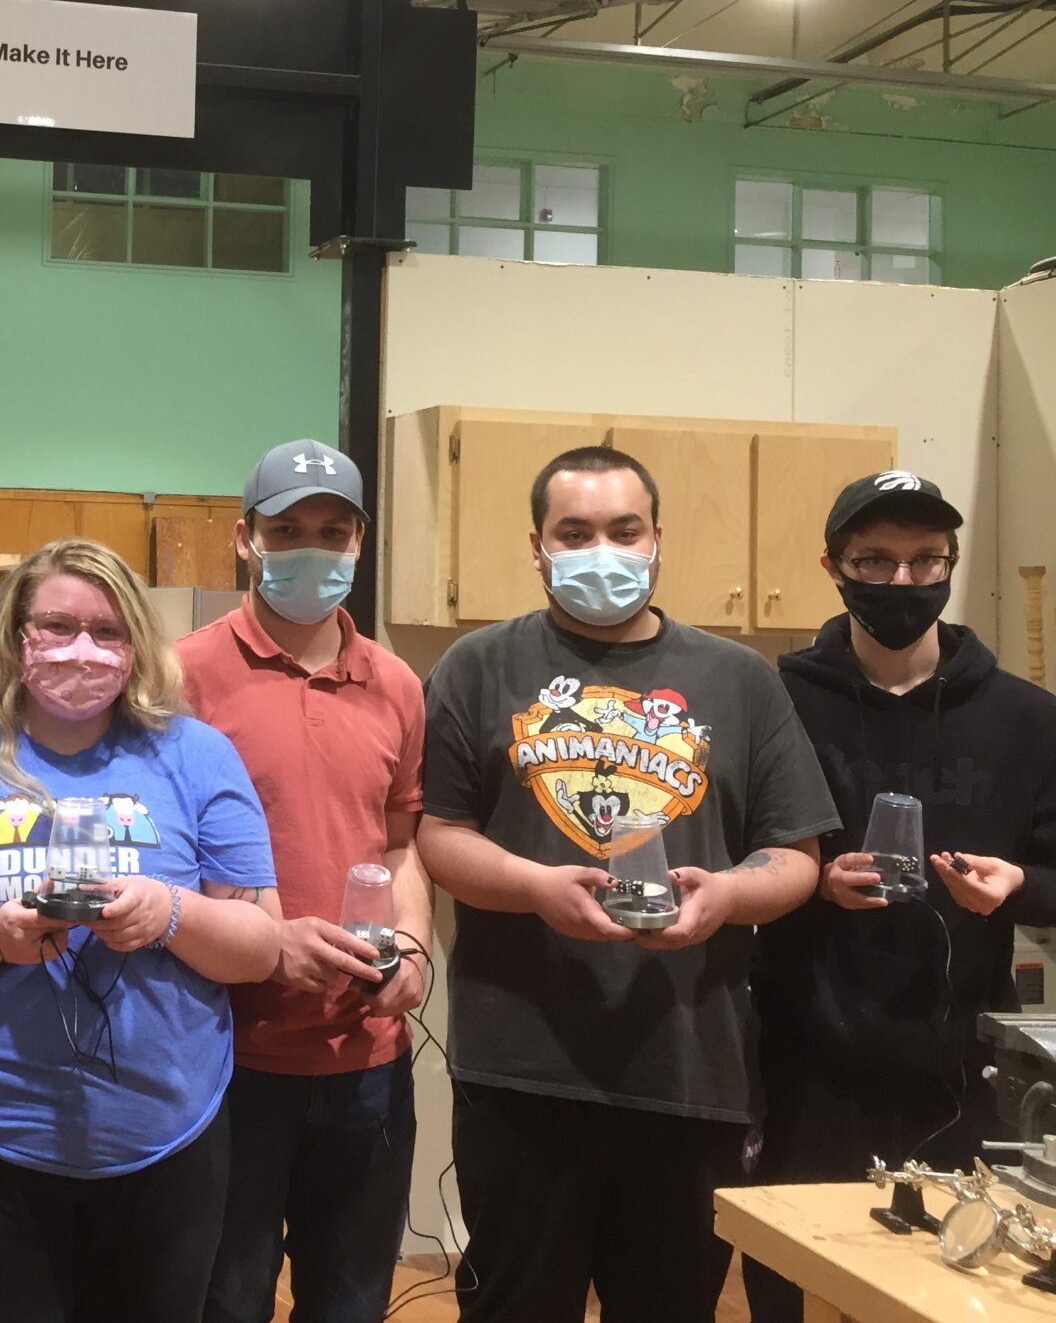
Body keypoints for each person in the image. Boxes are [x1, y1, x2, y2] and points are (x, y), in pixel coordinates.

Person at [417, 445, 837, 1323]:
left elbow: (796, 857)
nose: (600, 549)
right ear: (537, 546)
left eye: (622, 529)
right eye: (575, 532)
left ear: (657, 541)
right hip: (524, 1070)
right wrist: (535, 886)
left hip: (690, 1072)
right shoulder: (475, 666)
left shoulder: (742, 680)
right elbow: (439, 836)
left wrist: (725, 897)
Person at [0, 538, 284, 1323]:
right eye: (57, 625)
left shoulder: (195, 755)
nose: (83, 649)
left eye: (108, 631)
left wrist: (168, 912)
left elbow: (259, 947)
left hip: (169, 1140)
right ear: (15, 636)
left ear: (137, 645)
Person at [746, 472, 1056, 1323]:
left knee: (953, 1282)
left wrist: (1018, 886)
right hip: (801, 1051)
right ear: (832, 565)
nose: (903, 584)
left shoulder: (1029, 719)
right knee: (788, 1262)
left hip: (960, 1060)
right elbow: (732, 861)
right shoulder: (772, 701)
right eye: (875, 562)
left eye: (927, 561)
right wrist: (812, 887)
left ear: (952, 564)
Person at [180, 439, 428, 1323]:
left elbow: (401, 845)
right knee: (226, 1294)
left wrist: (413, 951)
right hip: (226, 1052)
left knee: (352, 1297)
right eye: (287, 530)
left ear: (361, 542)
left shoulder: (395, 684)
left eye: (334, 529)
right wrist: (256, 942)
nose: (311, 548)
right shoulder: (182, 676)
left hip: (366, 1057)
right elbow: (159, 860)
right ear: (247, 539)